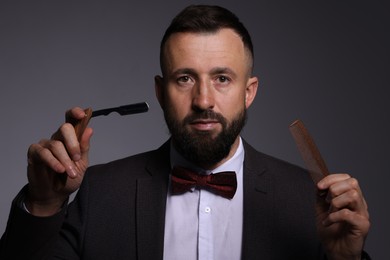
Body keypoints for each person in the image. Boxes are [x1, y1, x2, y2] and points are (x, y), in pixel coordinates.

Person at [0, 4, 370, 260]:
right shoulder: (99, 194)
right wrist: (45, 203)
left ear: (249, 92)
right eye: (185, 79)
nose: (203, 100)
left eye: (222, 78)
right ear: (161, 92)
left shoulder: (311, 203)